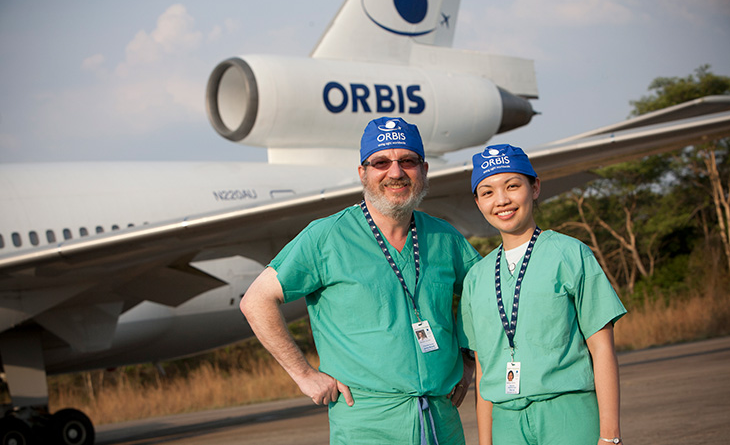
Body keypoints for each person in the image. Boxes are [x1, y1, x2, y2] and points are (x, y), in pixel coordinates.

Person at [240, 116, 481, 444]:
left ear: (423, 170)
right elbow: (256, 299)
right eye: (381, 162)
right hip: (367, 424)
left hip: (441, 420)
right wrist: (304, 375)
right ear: (363, 173)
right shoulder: (327, 237)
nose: (395, 172)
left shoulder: (444, 236)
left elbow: (480, 292)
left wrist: (469, 358)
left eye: (407, 161)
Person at [458, 144, 626, 445]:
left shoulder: (570, 254)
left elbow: (602, 350)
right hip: (505, 421)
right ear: (478, 202)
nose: (502, 200)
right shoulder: (476, 278)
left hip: (568, 414)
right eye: (488, 192)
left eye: (512, 186)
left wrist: (610, 436)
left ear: (534, 187)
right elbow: (483, 369)